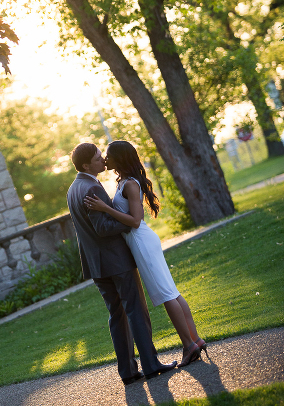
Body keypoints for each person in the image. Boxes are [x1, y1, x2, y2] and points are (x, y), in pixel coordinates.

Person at [84, 140, 207, 368]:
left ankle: (189, 346)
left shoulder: (130, 184)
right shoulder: (124, 182)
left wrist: (105, 208)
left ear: (119, 158)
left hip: (141, 242)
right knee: (171, 291)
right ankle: (196, 340)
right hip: (140, 242)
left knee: (165, 294)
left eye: (108, 155)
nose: (105, 160)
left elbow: (135, 221)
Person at [67, 142, 177, 386]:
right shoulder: (91, 188)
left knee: (116, 316)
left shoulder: (73, 188)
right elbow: (103, 227)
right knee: (136, 310)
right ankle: (151, 365)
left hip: (96, 265)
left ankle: (127, 372)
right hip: (116, 262)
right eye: (98, 157)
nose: (103, 160)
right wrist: (131, 222)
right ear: (87, 165)